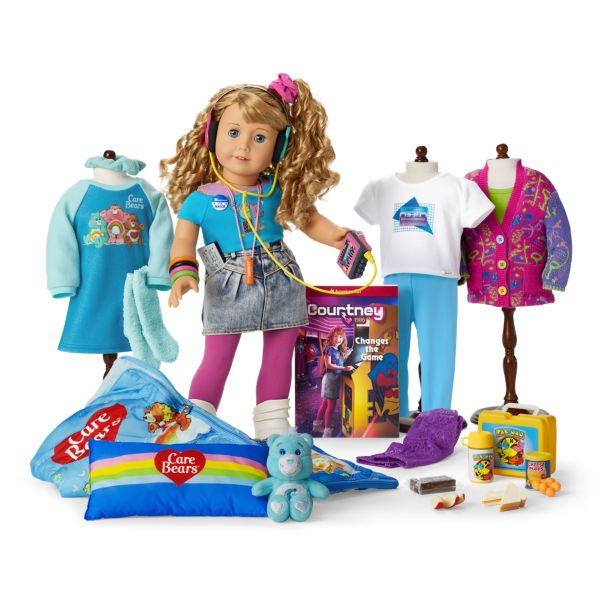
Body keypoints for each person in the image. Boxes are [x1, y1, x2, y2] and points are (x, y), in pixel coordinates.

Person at [160, 74, 348, 438]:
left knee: (280, 352)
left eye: (260, 138)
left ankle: (272, 423)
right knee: (218, 355)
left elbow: (309, 220)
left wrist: (338, 237)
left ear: (279, 147)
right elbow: (183, 239)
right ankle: (197, 422)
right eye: (233, 133)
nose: (243, 146)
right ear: (211, 133)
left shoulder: (276, 191)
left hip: (281, 275)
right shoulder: (201, 199)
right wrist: (183, 272)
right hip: (227, 281)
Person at [313, 327, 354, 437]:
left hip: (333, 379)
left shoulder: (337, 350)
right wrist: (345, 368)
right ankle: (327, 432)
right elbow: (329, 365)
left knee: (325, 404)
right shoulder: (329, 349)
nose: (338, 339)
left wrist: (348, 353)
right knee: (331, 406)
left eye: (340, 337)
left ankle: (317, 425)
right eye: (336, 336)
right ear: (331, 337)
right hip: (330, 379)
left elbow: (339, 361)